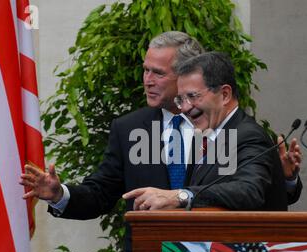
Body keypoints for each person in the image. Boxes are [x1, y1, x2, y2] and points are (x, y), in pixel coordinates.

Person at [20, 31, 301, 252]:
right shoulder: (130, 129)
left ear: (186, 76)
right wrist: (60, 195)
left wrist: (283, 179)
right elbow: (100, 193)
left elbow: (246, 191)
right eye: (146, 70)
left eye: (158, 73)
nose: (147, 80)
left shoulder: (224, 128)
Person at [123, 51, 288, 211]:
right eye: (181, 99)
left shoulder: (249, 136)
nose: (185, 108)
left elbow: (248, 190)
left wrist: (181, 196)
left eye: (193, 96)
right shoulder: (203, 137)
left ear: (224, 94)